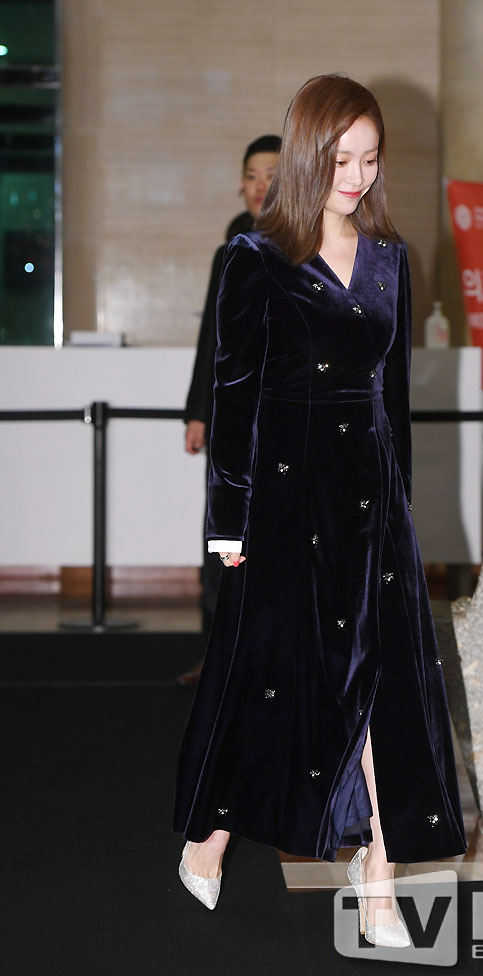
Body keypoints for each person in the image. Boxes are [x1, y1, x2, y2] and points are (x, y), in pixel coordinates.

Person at [173, 75, 466, 947]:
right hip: (283, 499)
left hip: (370, 502)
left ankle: (379, 885)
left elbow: (392, 399)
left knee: (381, 687)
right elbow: (234, 400)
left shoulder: (390, 259)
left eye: (371, 160)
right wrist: (228, 524)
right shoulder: (256, 260)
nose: (358, 176)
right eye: (343, 160)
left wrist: (403, 511)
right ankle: (211, 835)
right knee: (272, 680)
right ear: (309, 156)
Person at [179, 136, 281, 685]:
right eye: (252, 175)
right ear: (240, 185)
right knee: (223, 538)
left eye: (272, 174)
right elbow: (211, 341)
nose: (261, 186)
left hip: (287, 418)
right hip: (231, 422)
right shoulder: (230, 252)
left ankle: (275, 658)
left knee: (280, 539)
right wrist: (199, 412)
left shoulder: (309, 247)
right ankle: (217, 657)